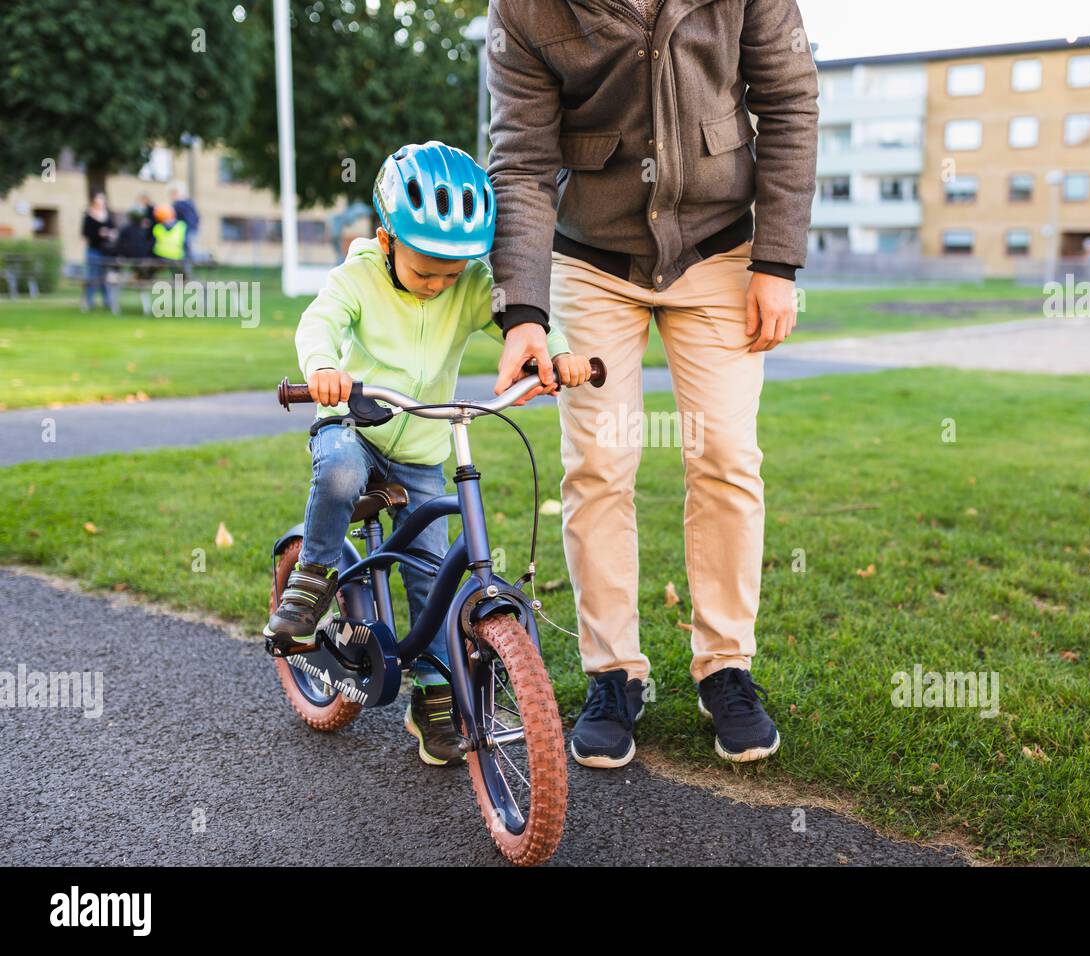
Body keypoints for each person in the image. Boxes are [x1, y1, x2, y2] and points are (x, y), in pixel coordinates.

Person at [486, 0, 819, 767]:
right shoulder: (524, 9)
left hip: (722, 249)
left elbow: (790, 101)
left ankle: (726, 665)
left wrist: (776, 262)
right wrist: (525, 313)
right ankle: (612, 673)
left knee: (727, 457)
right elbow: (523, 162)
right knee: (600, 463)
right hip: (592, 257)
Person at [264, 141, 592, 766]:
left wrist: (559, 353)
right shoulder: (357, 276)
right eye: (426, 272)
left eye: (452, 273)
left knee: (431, 570)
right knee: (336, 474)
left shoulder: (465, 283)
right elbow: (320, 322)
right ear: (386, 240)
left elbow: (519, 320)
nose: (441, 284)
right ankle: (312, 580)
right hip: (354, 423)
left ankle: (436, 697)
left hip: (420, 442)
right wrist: (325, 368)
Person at [80, 192, 116, 310]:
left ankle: (107, 302)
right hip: (93, 250)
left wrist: (110, 233)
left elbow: (114, 230)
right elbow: (85, 233)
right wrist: (99, 233)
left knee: (105, 277)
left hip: (105, 251)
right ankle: (88, 302)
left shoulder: (108, 216)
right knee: (92, 277)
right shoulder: (89, 216)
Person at [169, 184, 199, 259]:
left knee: (187, 248)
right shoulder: (188, 203)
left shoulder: (180, 204)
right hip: (187, 229)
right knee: (186, 248)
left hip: (187, 229)